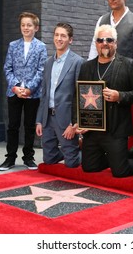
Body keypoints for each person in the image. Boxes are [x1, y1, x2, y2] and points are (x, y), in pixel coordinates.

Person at [76, 24, 133, 177]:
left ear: (115, 43)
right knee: (89, 167)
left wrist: (120, 96)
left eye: (109, 40)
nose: (104, 43)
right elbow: (77, 96)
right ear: (96, 44)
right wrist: (79, 122)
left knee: (120, 172)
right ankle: (124, 156)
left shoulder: (128, 64)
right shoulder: (86, 67)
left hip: (116, 129)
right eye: (100, 40)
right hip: (92, 129)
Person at [0, 12, 48, 171]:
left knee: (29, 126)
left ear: (36, 28)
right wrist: (15, 87)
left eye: (29, 25)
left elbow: (41, 71)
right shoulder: (13, 45)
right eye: (23, 25)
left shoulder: (41, 47)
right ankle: (10, 158)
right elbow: (7, 68)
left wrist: (29, 89)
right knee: (12, 125)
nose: (26, 28)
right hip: (14, 92)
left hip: (32, 93)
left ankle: (28, 157)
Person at [35, 23, 84, 168]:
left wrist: (73, 123)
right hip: (48, 118)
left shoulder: (78, 62)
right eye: (56, 35)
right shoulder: (48, 63)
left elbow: (79, 96)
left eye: (63, 35)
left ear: (70, 40)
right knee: (49, 160)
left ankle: (87, 153)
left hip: (66, 118)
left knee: (72, 163)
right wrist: (39, 120)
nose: (59, 38)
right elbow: (44, 94)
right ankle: (71, 151)